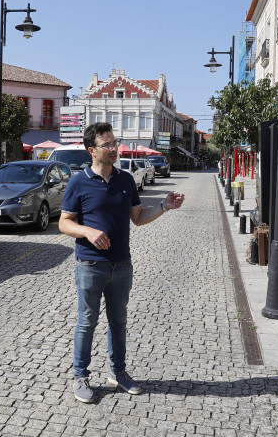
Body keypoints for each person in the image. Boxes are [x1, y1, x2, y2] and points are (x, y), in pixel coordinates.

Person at [59, 122, 185, 403]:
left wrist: (164, 206)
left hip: (122, 264)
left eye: (115, 142)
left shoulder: (126, 180)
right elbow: (64, 223)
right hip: (90, 265)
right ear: (92, 150)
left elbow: (138, 218)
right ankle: (81, 376)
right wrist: (88, 231)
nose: (114, 148)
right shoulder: (78, 182)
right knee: (87, 321)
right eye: (107, 144)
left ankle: (119, 372)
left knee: (119, 322)